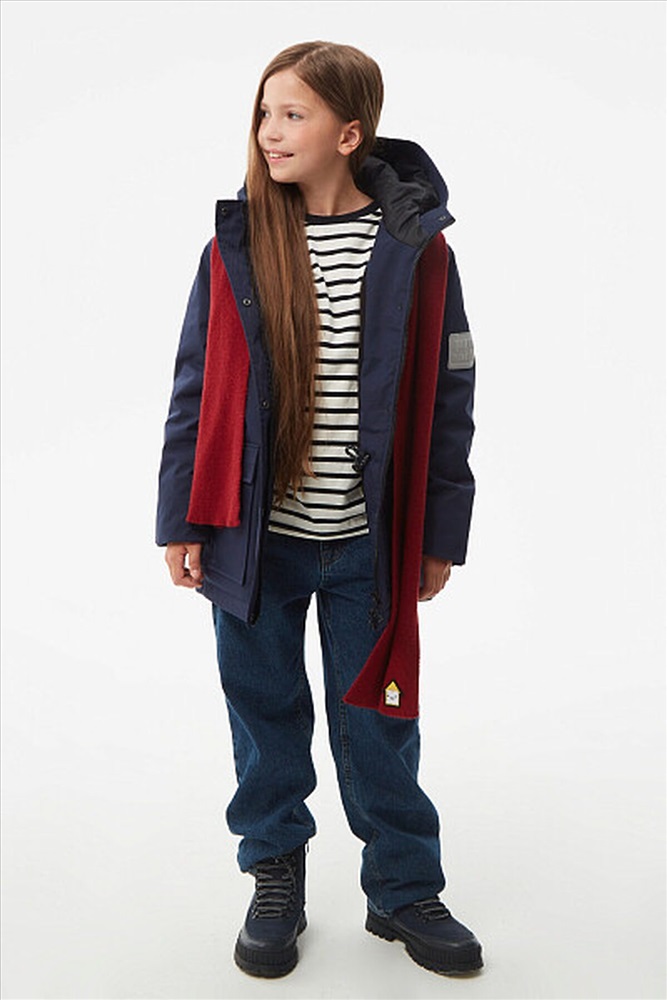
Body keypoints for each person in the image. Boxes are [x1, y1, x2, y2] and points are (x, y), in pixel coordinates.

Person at [156, 40, 481, 979]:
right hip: (253, 540)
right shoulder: (236, 246)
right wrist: (181, 517)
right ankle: (275, 876)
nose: (269, 131)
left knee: (378, 724)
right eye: (263, 113)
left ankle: (403, 888)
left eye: (291, 114)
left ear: (349, 132)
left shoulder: (418, 250)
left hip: (369, 543)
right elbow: (193, 387)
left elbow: (451, 396)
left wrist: (439, 532)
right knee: (264, 718)